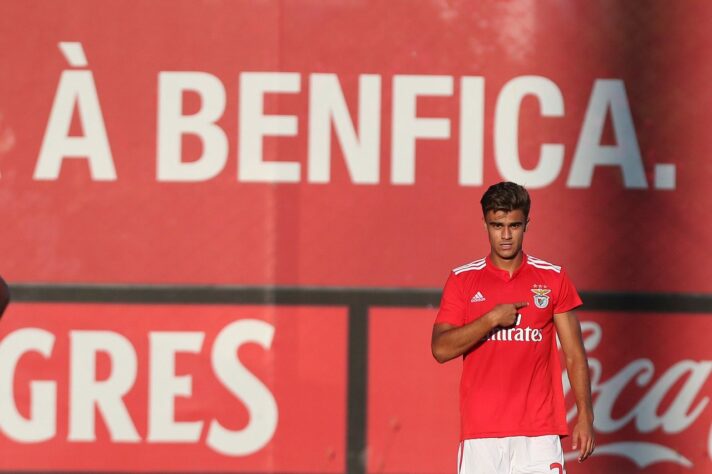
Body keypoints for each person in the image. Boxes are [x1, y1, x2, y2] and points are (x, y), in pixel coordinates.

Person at [431, 182, 594, 474]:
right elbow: (440, 349)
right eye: (497, 225)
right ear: (485, 224)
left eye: (514, 225)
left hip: (539, 433)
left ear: (526, 224)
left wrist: (585, 416)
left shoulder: (553, 278)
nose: (506, 235)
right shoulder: (462, 280)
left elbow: (574, 355)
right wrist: (490, 319)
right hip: (482, 435)